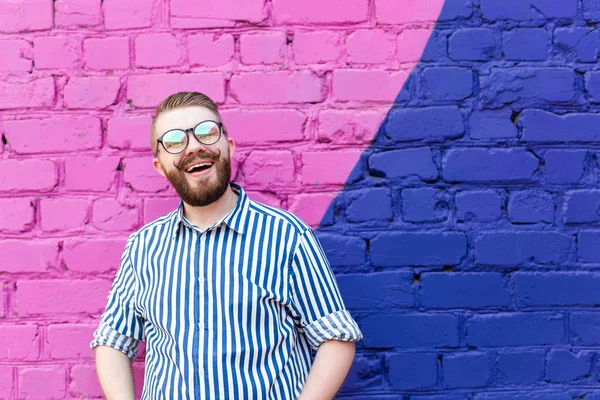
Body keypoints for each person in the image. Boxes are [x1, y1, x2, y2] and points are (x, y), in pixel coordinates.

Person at [91, 91, 363, 400]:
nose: (194, 146)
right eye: (175, 140)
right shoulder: (144, 247)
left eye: (207, 131)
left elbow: (336, 337)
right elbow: (112, 340)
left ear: (228, 147)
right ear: (160, 165)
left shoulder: (287, 236)